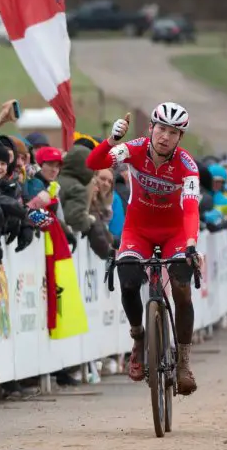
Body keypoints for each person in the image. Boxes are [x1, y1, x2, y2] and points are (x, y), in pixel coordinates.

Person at [86, 103, 201, 395]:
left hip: (175, 232)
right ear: (151, 128)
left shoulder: (187, 166)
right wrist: (112, 140)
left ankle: (184, 361)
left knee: (181, 289)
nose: (165, 136)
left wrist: (190, 244)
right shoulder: (133, 149)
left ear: (179, 138)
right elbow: (93, 163)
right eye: (161, 128)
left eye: (173, 132)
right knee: (127, 278)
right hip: (138, 230)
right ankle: (138, 338)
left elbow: (190, 210)